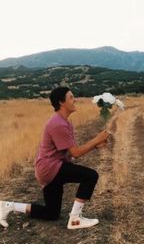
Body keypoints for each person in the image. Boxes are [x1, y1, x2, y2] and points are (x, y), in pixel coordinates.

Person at [0, 87, 109, 230]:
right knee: (90, 176)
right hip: (50, 168)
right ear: (61, 102)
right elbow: (75, 153)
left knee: (51, 213)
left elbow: (70, 152)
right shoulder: (58, 124)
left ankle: (7, 206)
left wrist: (95, 146)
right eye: (71, 97)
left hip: (49, 168)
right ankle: (75, 219)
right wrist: (96, 140)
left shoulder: (65, 122)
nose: (74, 99)